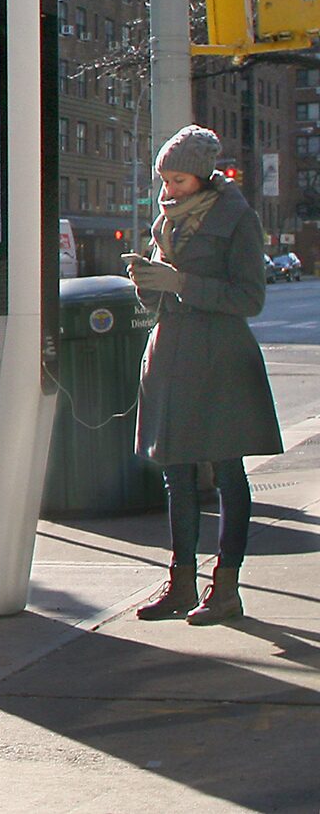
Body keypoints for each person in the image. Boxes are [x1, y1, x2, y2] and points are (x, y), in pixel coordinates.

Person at [128, 124, 282, 625]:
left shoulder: (238, 219)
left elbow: (249, 299)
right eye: (163, 182)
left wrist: (181, 282)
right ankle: (180, 582)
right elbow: (158, 299)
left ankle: (227, 587)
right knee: (176, 474)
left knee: (227, 472)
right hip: (172, 352)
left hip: (220, 358)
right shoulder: (165, 222)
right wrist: (147, 284)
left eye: (177, 181)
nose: (167, 191)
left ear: (200, 177)